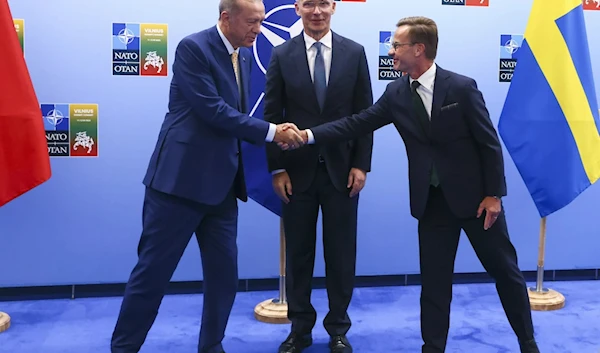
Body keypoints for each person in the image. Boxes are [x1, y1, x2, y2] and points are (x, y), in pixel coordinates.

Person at [281, 16, 540, 353]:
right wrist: (309, 135)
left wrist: (493, 195)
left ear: (419, 49)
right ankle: (432, 347)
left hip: (477, 202)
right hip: (431, 204)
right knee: (433, 283)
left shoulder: (461, 87)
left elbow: (488, 144)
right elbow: (356, 123)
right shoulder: (396, 92)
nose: (391, 52)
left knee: (505, 273)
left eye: (396, 46)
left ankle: (527, 341)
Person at [109, 1, 305, 352]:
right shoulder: (193, 48)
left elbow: (236, 117)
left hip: (223, 189)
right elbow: (214, 111)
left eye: (261, 22)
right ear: (226, 17)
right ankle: (124, 348)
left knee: (224, 278)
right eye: (252, 22)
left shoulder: (245, 56)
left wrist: (277, 134)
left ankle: (211, 347)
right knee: (152, 276)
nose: (258, 30)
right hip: (178, 186)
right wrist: (274, 132)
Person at [263, 1, 373, 352]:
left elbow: (365, 114)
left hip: (343, 173)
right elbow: (271, 115)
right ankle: (300, 328)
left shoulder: (355, 53)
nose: (316, 11)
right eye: (309, 3)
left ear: (334, 8)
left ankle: (338, 328)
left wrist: (362, 164)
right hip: (296, 174)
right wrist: (276, 167)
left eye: (323, 3)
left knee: (342, 254)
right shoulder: (281, 54)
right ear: (297, 8)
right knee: (299, 254)